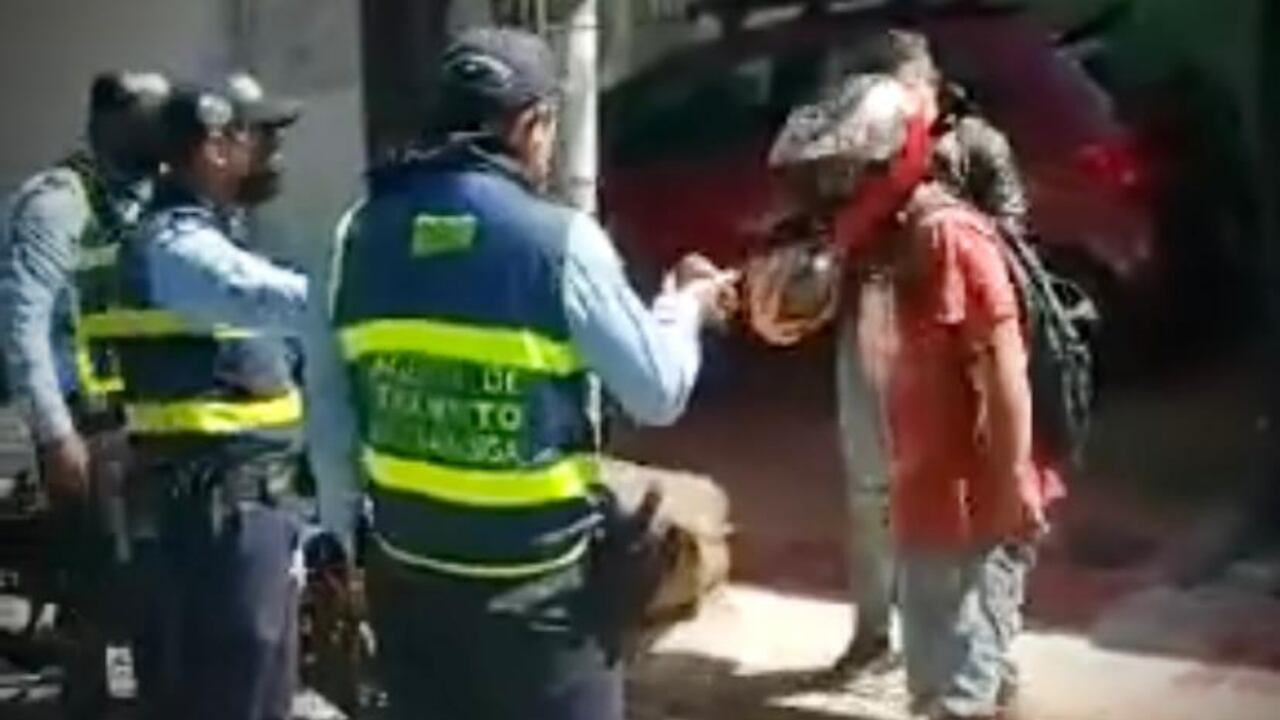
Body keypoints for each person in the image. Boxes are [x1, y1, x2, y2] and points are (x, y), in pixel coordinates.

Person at [318, 27, 736, 720]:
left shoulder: (357, 233)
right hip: (541, 607)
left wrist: (346, 546)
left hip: (408, 589)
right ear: (533, 125)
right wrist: (684, 306)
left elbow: (331, 417)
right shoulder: (560, 241)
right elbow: (657, 392)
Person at [822, 28, 1033, 679]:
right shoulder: (853, 149)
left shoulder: (977, 145)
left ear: (927, 88)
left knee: (967, 489)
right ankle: (873, 635)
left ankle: (984, 657)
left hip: (953, 337)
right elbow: (820, 230)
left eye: (900, 93)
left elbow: (1012, 240)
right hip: (872, 323)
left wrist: (934, 237)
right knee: (870, 487)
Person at [106, 74, 313, 720]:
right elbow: (284, 300)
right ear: (215, 147)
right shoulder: (179, 249)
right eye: (261, 136)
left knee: (250, 694)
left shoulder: (213, 236)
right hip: (211, 521)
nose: (274, 153)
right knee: (232, 698)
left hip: (234, 514)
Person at [0, 70, 170, 719]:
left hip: (154, 422)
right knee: (101, 595)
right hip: (90, 427)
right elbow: (22, 326)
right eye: (151, 120)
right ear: (110, 124)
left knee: (154, 589)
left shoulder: (154, 196)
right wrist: (54, 434)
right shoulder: (57, 204)